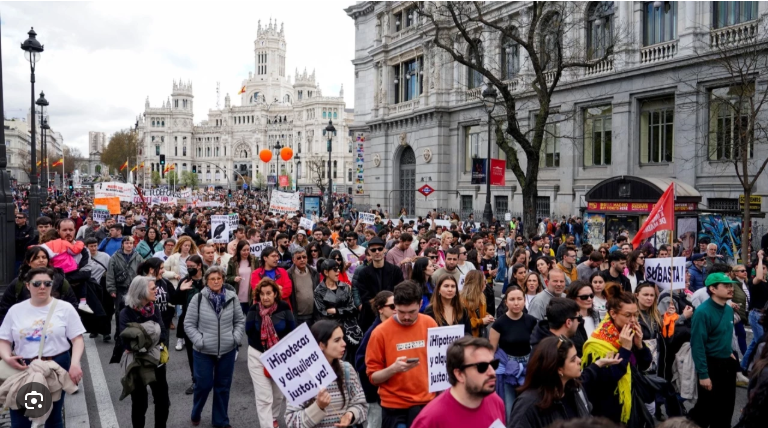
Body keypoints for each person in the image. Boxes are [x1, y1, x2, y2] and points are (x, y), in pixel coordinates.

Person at [0, 267, 85, 428]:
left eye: (47, 283)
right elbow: (3, 340)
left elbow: (77, 339)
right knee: (20, 417)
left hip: (56, 365)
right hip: (22, 367)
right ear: (27, 285)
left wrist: (75, 364)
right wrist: (7, 357)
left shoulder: (65, 308)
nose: (42, 287)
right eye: (37, 283)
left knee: (53, 418)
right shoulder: (16, 311)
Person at [365, 280, 439, 428]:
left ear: (420, 304)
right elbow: (373, 377)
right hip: (395, 407)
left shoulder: (430, 323)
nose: (406, 317)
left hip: (427, 404)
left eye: (412, 312)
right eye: (401, 312)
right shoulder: (380, 333)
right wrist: (393, 369)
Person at [508, 336, 622, 428]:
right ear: (558, 369)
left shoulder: (576, 389)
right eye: (573, 359)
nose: (579, 360)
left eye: (577, 356)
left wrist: (599, 364)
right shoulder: (528, 405)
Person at [581, 282, 653, 427]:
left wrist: (639, 345)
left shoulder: (627, 332)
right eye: (628, 315)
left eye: (635, 315)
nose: (633, 320)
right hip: (608, 410)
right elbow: (607, 380)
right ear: (613, 314)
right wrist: (625, 349)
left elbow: (644, 365)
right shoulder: (598, 344)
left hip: (631, 400)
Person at [184, 265, 245, 428]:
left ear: (223, 280)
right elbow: (188, 324)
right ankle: (196, 411)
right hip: (203, 351)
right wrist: (199, 341)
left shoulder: (232, 297)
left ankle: (220, 421)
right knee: (203, 385)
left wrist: (235, 338)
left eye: (219, 278)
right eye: (212, 279)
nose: (216, 281)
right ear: (206, 281)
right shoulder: (197, 298)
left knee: (223, 387)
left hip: (227, 350)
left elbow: (239, 320)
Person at [286, 320, 369, 428]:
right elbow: (291, 421)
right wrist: (318, 407)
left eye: (342, 338)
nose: (344, 343)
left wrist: (350, 415)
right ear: (321, 345)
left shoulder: (347, 369)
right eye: (337, 340)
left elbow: (362, 405)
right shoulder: (300, 376)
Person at [410, 336, 505, 428]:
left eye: (494, 364)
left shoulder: (496, 402)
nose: (492, 372)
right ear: (459, 374)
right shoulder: (430, 420)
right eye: (482, 367)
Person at [688, 272, 739, 428]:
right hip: (711, 365)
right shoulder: (702, 312)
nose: (731, 289)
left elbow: (725, 334)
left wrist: (728, 351)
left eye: (731, 285)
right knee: (706, 409)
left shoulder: (729, 309)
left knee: (726, 408)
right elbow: (697, 345)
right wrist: (703, 374)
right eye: (726, 286)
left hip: (727, 363)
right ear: (713, 289)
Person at [118, 276, 170, 428]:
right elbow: (128, 343)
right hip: (137, 364)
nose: (156, 291)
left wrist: (142, 335)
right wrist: (152, 335)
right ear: (141, 292)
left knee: (163, 401)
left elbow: (163, 335)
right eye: (153, 288)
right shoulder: (126, 313)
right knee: (140, 404)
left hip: (156, 361)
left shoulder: (155, 308)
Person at [246, 277, 296, 428]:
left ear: (275, 293)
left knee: (278, 394)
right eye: (262, 294)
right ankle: (267, 425)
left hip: (280, 356)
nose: (265, 297)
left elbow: (292, 331)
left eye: (269, 293)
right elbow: (248, 331)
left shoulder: (284, 308)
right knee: (264, 397)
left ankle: (273, 417)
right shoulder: (254, 310)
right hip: (257, 355)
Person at [489, 285, 537, 419]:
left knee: (527, 406)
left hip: (527, 366)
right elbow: (492, 351)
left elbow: (537, 344)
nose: (516, 303)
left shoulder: (531, 321)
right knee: (509, 408)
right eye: (512, 299)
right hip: (506, 368)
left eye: (519, 299)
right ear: (506, 302)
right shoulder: (499, 323)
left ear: (524, 300)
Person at [0, 246, 78, 326]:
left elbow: (72, 304)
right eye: (36, 258)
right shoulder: (19, 283)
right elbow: (4, 308)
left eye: (44, 257)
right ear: (28, 262)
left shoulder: (59, 280)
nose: (41, 260)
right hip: (24, 328)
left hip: (55, 328)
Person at [356, 291, 395, 428]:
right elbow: (360, 362)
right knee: (375, 423)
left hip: (388, 391)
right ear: (380, 309)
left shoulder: (392, 328)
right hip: (374, 391)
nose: (396, 309)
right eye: (392, 306)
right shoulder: (374, 332)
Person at [314, 259, 361, 362]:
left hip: (349, 330)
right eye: (334, 269)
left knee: (351, 360)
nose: (338, 271)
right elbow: (322, 313)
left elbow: (353, 308)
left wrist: (336, 311)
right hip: (332, 331)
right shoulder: (319, 291)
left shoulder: (345, 287)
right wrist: (344, 311)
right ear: (326, 272)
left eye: (339, 268)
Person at [170, 255, 205, 394]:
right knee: (192, 353)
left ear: (199, 266)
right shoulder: (185, 280)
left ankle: (208, 378)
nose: (189, 269)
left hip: (207, 322)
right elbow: (175, 300)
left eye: (192, 267)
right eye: (188, 267)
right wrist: (181, 290)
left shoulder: (208, 279)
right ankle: (195, 380)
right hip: (190, 322)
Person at [356, 237, 405, 331]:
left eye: (380, 249)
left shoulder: (396, 271)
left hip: (392, 314)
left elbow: (399, 292)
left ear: (385, 250)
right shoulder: (363, 273)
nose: (377, 252)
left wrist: (388, 308)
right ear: (369, 252)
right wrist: (381, 309)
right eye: (373, 250)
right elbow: (365, 297)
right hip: (370, 317)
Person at [136, 258, 177, 348]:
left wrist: (181, 290)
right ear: (151, 270)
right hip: (147, 325)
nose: (163, 271)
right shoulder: (141, 283)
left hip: (164, 324)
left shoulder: (165, 282)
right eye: (161, 268)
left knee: (163, 355)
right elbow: (134, 303)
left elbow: (174, 299)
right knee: (149, 355)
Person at [106, 236, 143, 322]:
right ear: (122, 244)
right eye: (126, 243)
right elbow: (110, 274)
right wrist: (112, 289)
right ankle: (119, 332)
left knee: (135, 310)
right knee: (119, 311)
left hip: (134, 288)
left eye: (131, 243)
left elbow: (142, 273)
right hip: (120, 288)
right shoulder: (114, 257)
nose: (129, 245)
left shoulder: (138, 257)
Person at [743, 250, 768, 371]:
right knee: (762, 344)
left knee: (754, 343)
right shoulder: (753, 282)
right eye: (760, 268)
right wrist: (760, 258)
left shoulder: (766, 283)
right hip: (755, 314)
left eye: (764, 268)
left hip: (763, 316)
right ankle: (758, 370)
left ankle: (743, 366)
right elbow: (759, 276)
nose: (762, 270)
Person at [566, 281, 601, 357]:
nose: (589, 299)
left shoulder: (596, 316)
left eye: (591, 296)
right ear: (573, 298)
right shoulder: (568, 320)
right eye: (584, 297)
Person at [287, 247, 320, 326]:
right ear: (293, 260)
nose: (302, 260)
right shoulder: (288, 274)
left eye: (304, 257)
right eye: (299, 258)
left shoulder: (314, 272)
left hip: (313, 315)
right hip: (297, 317)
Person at [225, 240, 260, 315]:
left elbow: (258, 275)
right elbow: (227, 277)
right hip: (238, 296)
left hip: (251, 297)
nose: (246, 252)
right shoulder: (233, 261)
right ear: (239, 250)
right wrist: (234, 278)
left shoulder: (254, 260)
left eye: (248, 250)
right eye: (244, 250)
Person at [461, 270, 494, 338]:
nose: (486, 283)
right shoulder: (462, 300)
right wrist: (481, 321)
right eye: (484, 281)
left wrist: (487, 316)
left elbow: (481, 313)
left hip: (480, 335)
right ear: (477, 283)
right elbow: (463, 323)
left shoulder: (482, 295)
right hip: (468, 338)